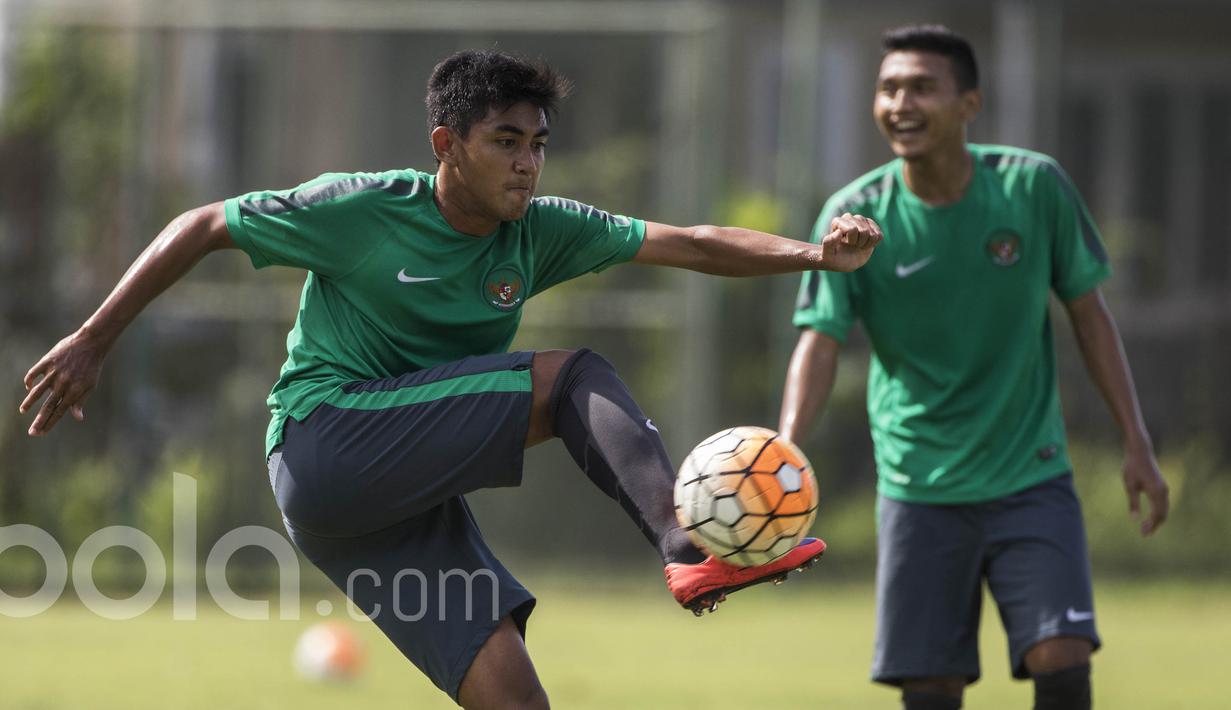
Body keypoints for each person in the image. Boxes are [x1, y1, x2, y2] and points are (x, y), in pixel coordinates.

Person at [20, 50, 881, 708]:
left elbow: (689, 243)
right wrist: (96, 339)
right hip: (326, 439)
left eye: (537, 145)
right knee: (571, 374)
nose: (526, 164)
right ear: (447, 145)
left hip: (381, 512)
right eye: (505, 141)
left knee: (515, 697)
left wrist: (815, 255)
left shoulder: (542, 230)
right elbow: (205, 222)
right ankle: (686, 544)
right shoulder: (363, 208)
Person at [779, 25, 1169, 710]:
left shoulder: (1032, 188)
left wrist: (1135, 443)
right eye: (888, 87)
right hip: (917, 486)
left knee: (1061, 656)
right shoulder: (853, 217)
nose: (901, 102)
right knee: (930, 689)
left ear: (969, 105)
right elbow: (820, 340)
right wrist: (785, 450)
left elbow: (1089, 315)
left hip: (1031, 476)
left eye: (922, 87)